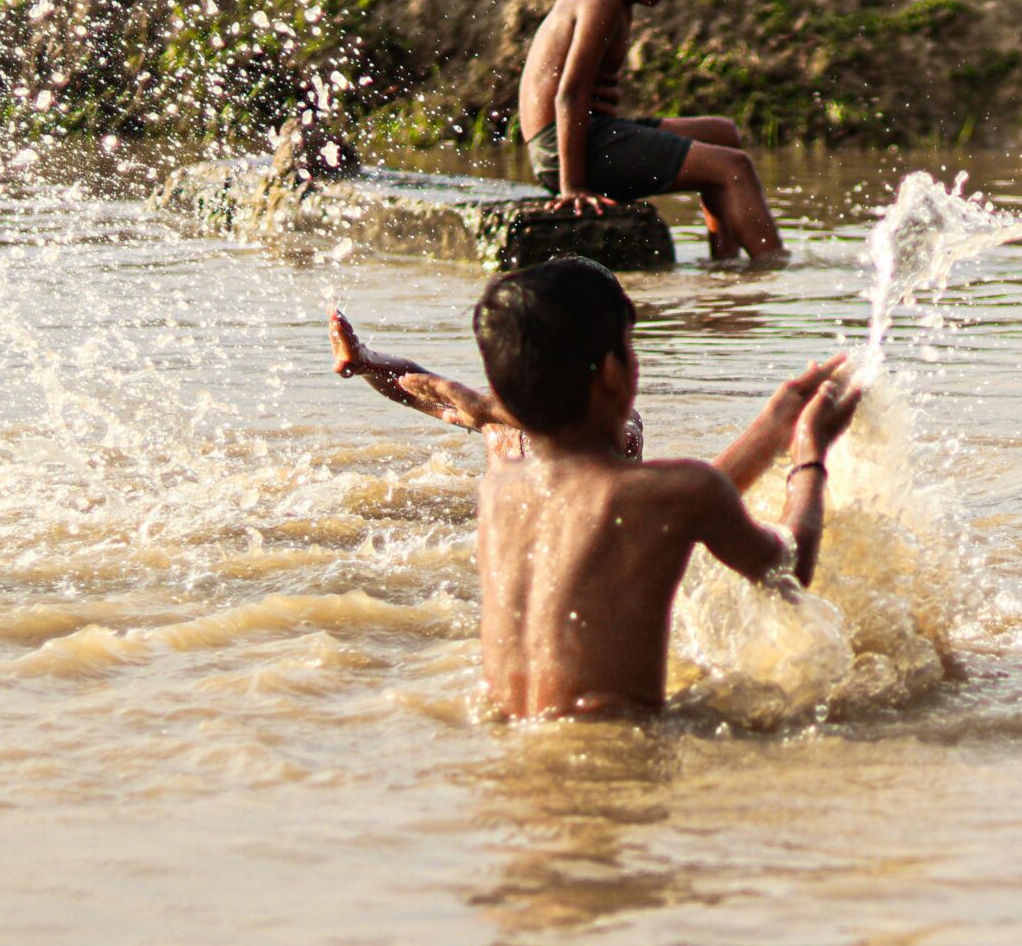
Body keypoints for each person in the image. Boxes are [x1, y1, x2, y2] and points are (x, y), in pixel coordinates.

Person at [328, 262, 860, 718]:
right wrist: (809, 452)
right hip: (617, 759)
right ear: (612, 371)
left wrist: (775, 417)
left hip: (506, 759)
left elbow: (429, 387)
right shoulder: (669, 488)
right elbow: (789, 567)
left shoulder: (501, 482)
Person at [518, 0, 787, 264]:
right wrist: (574, 186)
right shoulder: (601, 1)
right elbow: (572, 93)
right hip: (568, 148)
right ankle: (774, 268)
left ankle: (726, 264)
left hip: (592, 135)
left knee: (723, 133)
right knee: (732, 167)